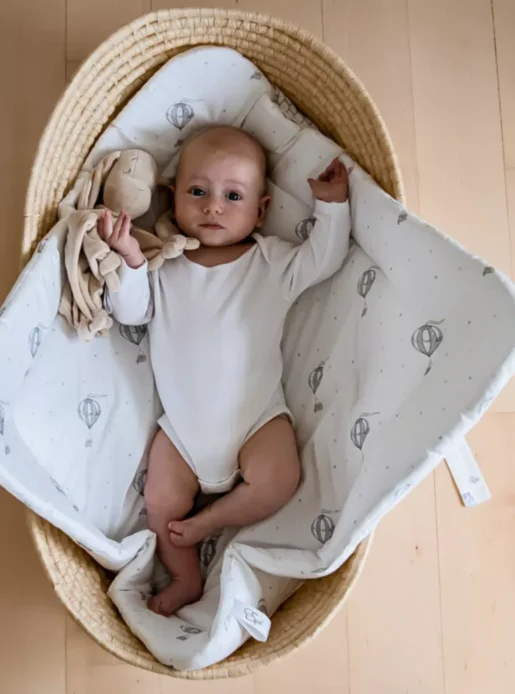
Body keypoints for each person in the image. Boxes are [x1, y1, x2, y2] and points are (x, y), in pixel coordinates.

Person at [99, 125, 350, 616]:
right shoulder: (164, 266)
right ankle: (186, 576)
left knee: (280, 478)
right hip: (182, 433)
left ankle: (210, 521)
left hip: (256, 420)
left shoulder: (271, 262)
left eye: (233, 196)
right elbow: (130, 311)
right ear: (171, 198)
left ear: (261, 209)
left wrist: (332, 206)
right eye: (198, 192)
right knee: (160, 500)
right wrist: (129, 260)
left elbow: (323, 260)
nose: (213, 206)